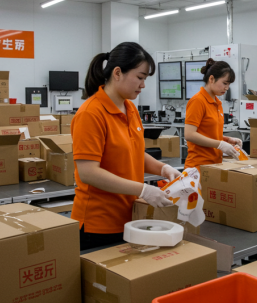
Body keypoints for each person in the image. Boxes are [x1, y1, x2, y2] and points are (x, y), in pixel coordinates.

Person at [72, 42, 182, 251]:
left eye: (145, 79)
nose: (143, 85)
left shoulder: (130, 108)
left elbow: (134, 153)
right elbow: (88, 172)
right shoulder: (91, 113)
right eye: (140, 77)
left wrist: (163, 169)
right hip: (99, 225)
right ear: (117, 73)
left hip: (131, 218)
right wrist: (143, 189)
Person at [184, 59, 243, 168]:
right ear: (211, 79)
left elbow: (208, 133)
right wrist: (220, 144)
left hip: (214, 165)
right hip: (198, 166)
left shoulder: (217, 103)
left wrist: (226, 140)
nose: (227, 88)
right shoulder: (198, 101)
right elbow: (189, 134)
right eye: (224, 83)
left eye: (229, 84)